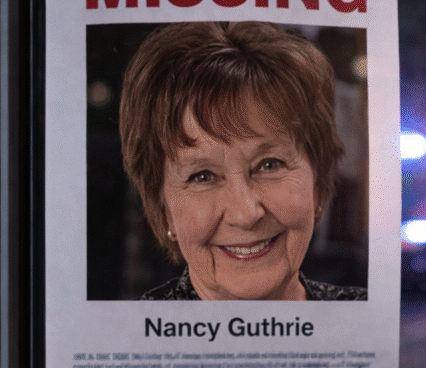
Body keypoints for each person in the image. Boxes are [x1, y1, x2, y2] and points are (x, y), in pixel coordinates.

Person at [118, 21, 367, 301]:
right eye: (202, 176)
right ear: (164, 211)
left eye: (269, 164)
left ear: (318, 185)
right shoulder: (128, 340)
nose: (246, 214)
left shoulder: (366, 323)